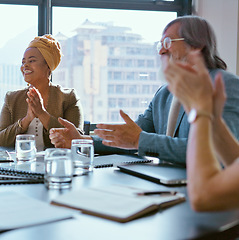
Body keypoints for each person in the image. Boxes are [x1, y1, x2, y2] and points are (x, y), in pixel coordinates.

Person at [49, 16, 239, 165]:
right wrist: (82, 141)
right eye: (159, 45)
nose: (161, 52)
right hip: (166, 184)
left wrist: (139, 140)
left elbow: (215, 151)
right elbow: (132, 137)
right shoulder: (164, 94)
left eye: (167, 43)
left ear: (197, 45)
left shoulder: (224, 84)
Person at [163, 50, 239, 211]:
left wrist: (200, 112)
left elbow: (203, 196)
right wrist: (214, 119)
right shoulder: (162, 94)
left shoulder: (229, 82)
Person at [0, 34, 83, 151]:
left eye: (31, 60)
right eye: (23, 62)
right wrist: (26, 120)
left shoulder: (68, 98)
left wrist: (41, 113)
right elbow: (1, 140)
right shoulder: (11, 98)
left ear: (48, 66)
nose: (25, 65)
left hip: (57, 164)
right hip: (20, 164)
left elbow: (76, 140)